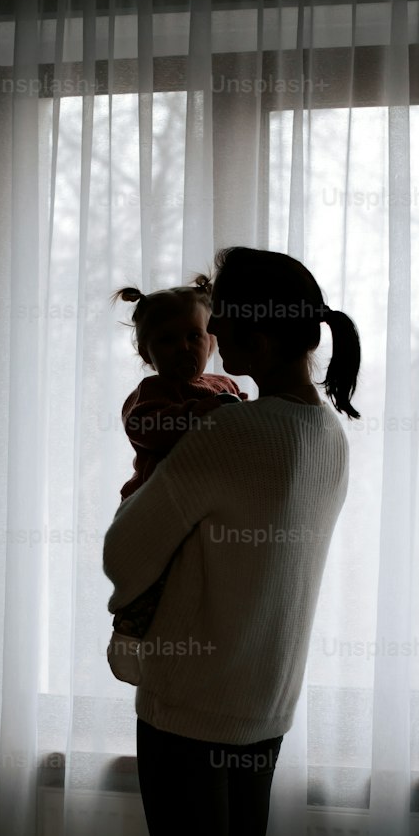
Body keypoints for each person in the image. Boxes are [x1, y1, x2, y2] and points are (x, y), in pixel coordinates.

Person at [102, 246, 361, 836]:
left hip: (189, 704)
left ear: (253, 339)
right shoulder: (327, 436)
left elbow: (123, 554)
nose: (212, 337)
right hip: (262, 702)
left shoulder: (234, 434)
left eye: (224, 326)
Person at [107, 279, 247, 685]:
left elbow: (245, 425)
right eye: (167, 341)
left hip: (200, 510)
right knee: (152, 578)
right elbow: (146, 428)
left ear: (212, 341)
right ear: (147, 354)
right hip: (150, 507)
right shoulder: (153, 392)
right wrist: (204, 412)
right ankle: (129, 632)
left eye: (193, 336)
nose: (184, 347)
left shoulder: (226, 387)